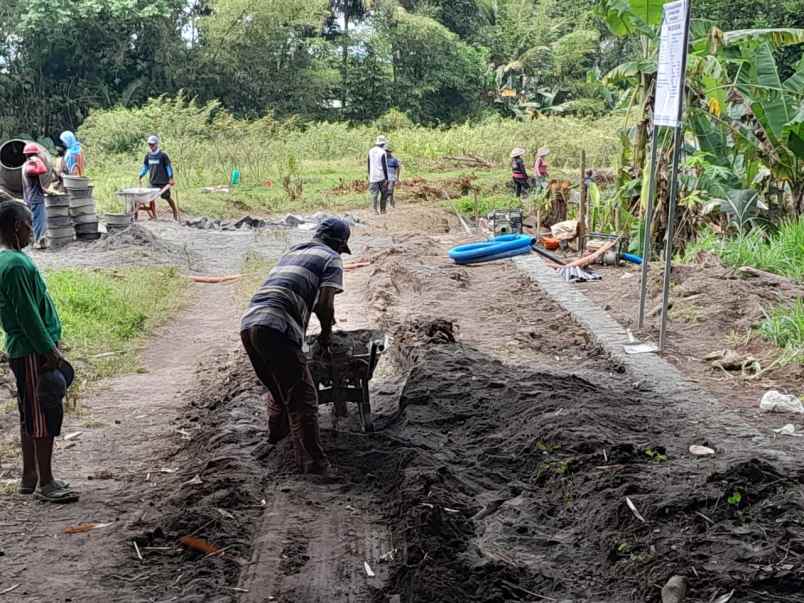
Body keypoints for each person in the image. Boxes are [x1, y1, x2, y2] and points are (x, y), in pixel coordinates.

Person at [240, 218, 352, 475]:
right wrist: (325, 334)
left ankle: (277, 442)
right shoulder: (331, 259)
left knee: (280, 392)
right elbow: (325, 305)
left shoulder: (294, 251)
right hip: (276, 326)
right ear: (339, 244)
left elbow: (298, 292)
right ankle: (315, 464)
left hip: (250, 323)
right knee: (303, 398)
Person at [0, 201, 78, 503]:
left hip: (26, 350)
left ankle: (29, 474)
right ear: (18, 227)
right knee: (44, 414)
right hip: (33, 352)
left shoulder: (10, 260)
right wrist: (50, 351)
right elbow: (28, 314)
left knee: (29, 415)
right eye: (30, 225)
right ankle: (47, 482)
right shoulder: (16, 265)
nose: (33, 231)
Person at [138, 135, 178, 221]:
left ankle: (175, 211)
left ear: (156, 144)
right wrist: (141, 174)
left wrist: (171, 178)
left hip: (163, 182)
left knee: (166, 197)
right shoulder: (148, 156)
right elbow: (146, 167)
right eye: (149, 144)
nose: (151, 146)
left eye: (152, 144)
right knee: (151, 198)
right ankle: (154, 215)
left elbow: (168, 167)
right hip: (153, 181)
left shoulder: (163, 155)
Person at [21, 143, 50, 249]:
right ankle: (38, 241)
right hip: (35, 198)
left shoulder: (25, 165)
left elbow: (33, 182)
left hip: (30, 197)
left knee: (35, 219)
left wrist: (44, 190)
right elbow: (43, 170)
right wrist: (37, 160)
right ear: (32, 155)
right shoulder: (29, 166)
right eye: (36, 155)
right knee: (39, 220)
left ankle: (36, 240)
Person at [368, 135, 389, 215]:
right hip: (381, 176)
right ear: (383, 144)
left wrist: (370, 175)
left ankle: (374, 210)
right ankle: (383, 209)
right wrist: (387, 178)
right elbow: (385, 166)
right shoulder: (383, 152)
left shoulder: (370, 151)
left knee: (374, 194)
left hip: (373, 176)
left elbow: (369, 164)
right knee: (384, 193)